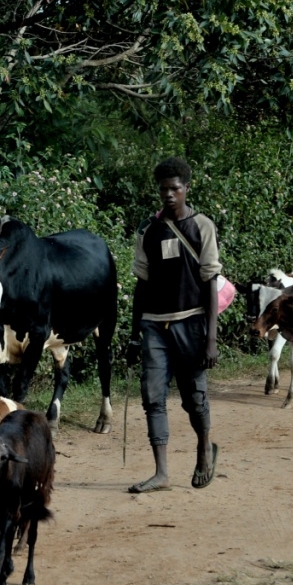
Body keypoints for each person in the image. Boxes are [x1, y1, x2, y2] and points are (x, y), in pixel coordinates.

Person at [124, 157, 220, 492]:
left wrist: (211, 338)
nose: (168, 194)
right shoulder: (147, 231)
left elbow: (210, 282)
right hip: (153, 326)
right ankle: (162, 473)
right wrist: (134, 334)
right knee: (152, 398)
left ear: (186, 189)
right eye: (163, 188)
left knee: (194, 398)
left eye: (175, 188)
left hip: (191, 324)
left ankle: (204, 447)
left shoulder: (202, 227)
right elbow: (142, 284)